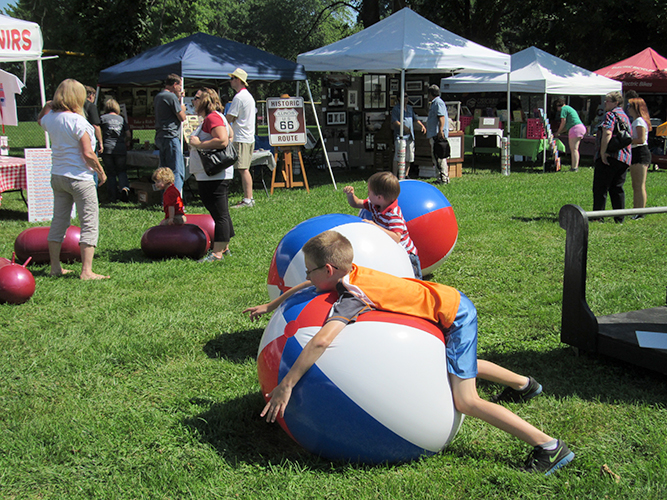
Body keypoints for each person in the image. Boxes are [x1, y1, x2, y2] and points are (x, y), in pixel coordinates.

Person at [244, 231, 574, 476]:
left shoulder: (352, 298)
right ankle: (524, 385)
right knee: (456, 364)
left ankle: (548, 446)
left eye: (309, 271)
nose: (306, 278)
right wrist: (273, 304)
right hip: (446, 300)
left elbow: (319, 341)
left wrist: (287, 383)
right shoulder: (350, 270)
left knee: (466, 399)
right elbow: (313, 285)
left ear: (329, 270)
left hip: (455, 316)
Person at [37, 78, 109, 280]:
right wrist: (100, 171)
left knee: (59, 221)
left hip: (58, 176)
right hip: (80, 178)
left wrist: (49, 105)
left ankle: (55, 267)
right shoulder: (79, 122)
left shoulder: (51, 118)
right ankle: (86, 271)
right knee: (89, 221)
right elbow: (87, 153)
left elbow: (40, 120)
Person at [343, 171, 422, 279]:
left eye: (369, 192)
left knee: (413, 282)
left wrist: (375, 226)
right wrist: (350, 195)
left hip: (407, 255)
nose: (367, 195)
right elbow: (356, 203)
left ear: (379, 197)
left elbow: (396, 238)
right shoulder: (375, 205)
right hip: (392, 251)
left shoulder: (393, 214)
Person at [188, 88, 235, 262]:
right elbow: (230, 134)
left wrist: (200, 143)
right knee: (220, 211)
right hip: (215, 173)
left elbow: (223, 139)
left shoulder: (212, 118)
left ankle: (217, 253)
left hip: (213, 175)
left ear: (204, 101)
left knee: (219, 213)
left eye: (196, 98)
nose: (193, 101)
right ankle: (224, 247)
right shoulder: (218, 117)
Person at [593, 91, 632, 223]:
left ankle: (598, 217)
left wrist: (603, 153)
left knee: (600, 187)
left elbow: (607, 132)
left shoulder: (610, 115)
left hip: (611, 155)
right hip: (624, 157)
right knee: (617, 188)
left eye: (607, 101)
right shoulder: (625, 116)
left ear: (616, 103)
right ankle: (619, 218)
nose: (605, 103)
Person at [226, 68, 256, 208]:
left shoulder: (239, 97)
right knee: (244, 168)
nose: (230, 81)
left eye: (232, 78)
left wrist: (220, 120)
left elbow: (230, 117)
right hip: (248, 136)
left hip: (241, 137)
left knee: (243, 169)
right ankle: (248, 198)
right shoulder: (248, 96)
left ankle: (248, 199)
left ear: (238, 80)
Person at [154, 74, 186, 194]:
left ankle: (165, 199)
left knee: (164, 172)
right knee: (177, 171)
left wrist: (178, 98)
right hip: (171, 136)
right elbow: (182, 117)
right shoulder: (171, 97)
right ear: (175, 84)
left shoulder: (159, 96)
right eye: (179, 86)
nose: (180, 89)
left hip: (160, 136)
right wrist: (182, 108)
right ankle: (175, 200)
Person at [100, 98, 131, 202]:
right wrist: (125, 141)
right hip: (120, 148)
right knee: (122, 171)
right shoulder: (121, 119)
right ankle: (124, 188)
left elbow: (98, 132)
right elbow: (128, 134)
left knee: (111, 173)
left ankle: (112, 196)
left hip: (107, 148)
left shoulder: (102, 118)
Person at [627, 97, 653, 219]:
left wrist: (627, 140)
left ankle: (640, 212)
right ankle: (636, 209)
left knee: (639, 185)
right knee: (635, 185)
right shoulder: (637, 121)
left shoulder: (638, 121)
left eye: (630, 106)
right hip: (635, 152)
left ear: (635, 108)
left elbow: (641, 140)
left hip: (640, 152)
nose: (628, 109)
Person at [391, 94, 426, 178]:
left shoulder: (410, 108)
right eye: (404, 96)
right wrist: (403, 127)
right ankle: (395, 176)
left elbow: (415, 119)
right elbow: (394, 121)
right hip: (400, 136)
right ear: (399, 98)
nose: (406, 98)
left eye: (407, 96)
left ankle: (406, 175)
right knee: (398, 156)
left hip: (410, 136)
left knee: (409, 156)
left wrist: (422, 126)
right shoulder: (396, 109)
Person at [553, 98, 586, 172]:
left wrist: (558, 132)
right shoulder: (569, 108)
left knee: (574, 149)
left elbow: (563, 121)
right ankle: (575, 166)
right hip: (580, 127)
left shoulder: (564, 109)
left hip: (575, 129)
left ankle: (574, 167)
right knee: (575, 149)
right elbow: (567, 127)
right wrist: (559, 132)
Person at [426, 84, 449, 184]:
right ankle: (439, 177)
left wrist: (440, 130)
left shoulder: (438, 103)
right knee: (436, 156)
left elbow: (441, 117)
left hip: (437, 135)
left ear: (431, 94)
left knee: (439, 156)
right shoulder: (434, 103)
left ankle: (443, 178)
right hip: (434, 134)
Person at [84, 86, 103, 155]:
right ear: (91, 95)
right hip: (89, 139)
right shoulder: (91, 106)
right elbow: (96, 125)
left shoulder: (75, 105)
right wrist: (100, 142)